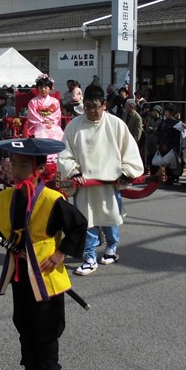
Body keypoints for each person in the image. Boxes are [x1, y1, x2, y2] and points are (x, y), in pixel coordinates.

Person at [0, 138, 87, 370]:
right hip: (20, 273)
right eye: (13, 164)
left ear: (40, 169)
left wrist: (61, 253)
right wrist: (11, 243)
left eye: (23, 165)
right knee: (23, 323)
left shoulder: (52, 199)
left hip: (46, 273)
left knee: (46, 326)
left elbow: (78, 226)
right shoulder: (6, 197)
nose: (16, 169)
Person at [58, 84, 143, 276]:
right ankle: (89, 257)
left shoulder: (116, 124)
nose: (91, 111)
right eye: (87, 106)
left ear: (104, 105)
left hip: (109, 184)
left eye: (95, 106)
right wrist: (73, 172)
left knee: (110, 219)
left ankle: (111, 248)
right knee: (86, 222)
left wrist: (126, 172)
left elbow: (129, 150)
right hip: (85, 184)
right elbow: (64, 154)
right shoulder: (74, 126)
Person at [156, 103, 182, 186]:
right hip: (163, 144)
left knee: (172, 162)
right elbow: (160, 133)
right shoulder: (163, 122)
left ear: (171, 112)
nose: (165, 113)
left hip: (171, 145)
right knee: (164, 162)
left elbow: (177, 136)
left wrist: (176, 147)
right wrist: (158, 143)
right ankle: (166, 177)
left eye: (166, 111)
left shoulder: (176, 122)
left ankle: (173, 177)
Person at [123, 98, 144, 163]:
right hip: (124, 139)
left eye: (127, 105)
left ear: (131, 107)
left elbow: (138, 132)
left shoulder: (137, 117)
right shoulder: (124, 114)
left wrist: (134, 142)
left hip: (132, 140)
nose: (125, 106)